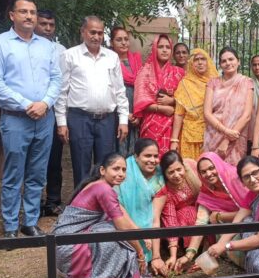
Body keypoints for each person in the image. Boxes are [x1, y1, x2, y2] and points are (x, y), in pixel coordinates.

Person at [0, 0, 61, 238]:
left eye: (32, 12)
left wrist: (45, 103)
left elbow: (56, 79)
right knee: (13, 173)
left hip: (44, 119)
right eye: (23, 12)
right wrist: (28, 104)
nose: (29, 16)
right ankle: (9, 225)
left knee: (37, 173)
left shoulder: (47, 46)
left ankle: (30, 222)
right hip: (15, 119)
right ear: (12, 15)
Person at [53, 153, 147, 278]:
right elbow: (122, 227)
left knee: (112, 229)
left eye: (124, 170)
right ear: (103, 171)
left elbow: (124, 216)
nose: (121, 174)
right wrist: (140, 253)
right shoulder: (103, 189)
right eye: (116, 169)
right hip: (68, 247)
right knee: (120, 239)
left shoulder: (100, 186)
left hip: (62, 244)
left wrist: (141, 235)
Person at [55, 16, 129, 188]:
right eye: (92, 32)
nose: (96, 37)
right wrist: (61, 122)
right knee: (81, 165)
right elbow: (62, 91)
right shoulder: (69, 56)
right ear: (83, 32)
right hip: (79, 118)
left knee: (106, 165)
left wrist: (123, 120)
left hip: (106, 119)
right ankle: (82, 208)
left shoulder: (112, 57)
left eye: (100, 33)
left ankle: (103, 208)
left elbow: (119, 90)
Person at [173, 151, 250, 272]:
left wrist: (220, 216)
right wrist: (189, 255)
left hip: (252, 223)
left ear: (218, 165)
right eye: (203, 172)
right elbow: (201, 223)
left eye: (211, 168)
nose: (208, 174)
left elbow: (253, 210)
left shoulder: (236, 178)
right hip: (231, 231)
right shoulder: (207, 192)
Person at [116, 138, 164, 277]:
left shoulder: (160, 179)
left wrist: (156, 256)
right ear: (136, 157)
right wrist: (138, 232)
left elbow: (155, 219)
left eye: (155, 156)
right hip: (120, 225)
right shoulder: (123, 173)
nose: (152, 160)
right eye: (147, 155)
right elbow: (117, 209)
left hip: (147, 235)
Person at [35, 10, 67, 217]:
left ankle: (53, 201)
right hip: (30, 110)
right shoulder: (27, 48)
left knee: (54, 159)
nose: (47, 28)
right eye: (43, 24)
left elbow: (63, 82)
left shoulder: (60, 50)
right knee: (34, 160)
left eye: (51, 25)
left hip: (54, 109)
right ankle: (34, 202)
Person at [133, 34, 185, 155]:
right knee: (150, 158)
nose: (165, 50)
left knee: (170, 162)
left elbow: (187, 100)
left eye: (168, 47)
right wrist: (162, 108)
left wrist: (172, 101)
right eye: (160, 46)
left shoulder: (179, 73)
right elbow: (140, 101)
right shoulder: (145, 71)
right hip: (150, 124)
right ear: (155, 49)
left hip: (173, 127)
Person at [202, 47, 254, 165]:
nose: (228, 63)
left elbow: (246, 115)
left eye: (231, 59)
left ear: (238, 61)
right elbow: (207, 113)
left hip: (236, 136)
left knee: (233, 174)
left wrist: (227, 139)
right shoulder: (212, 83)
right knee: (211, 170)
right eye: (224, 61)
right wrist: (225, 131)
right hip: (213, 134)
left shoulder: (247, 82)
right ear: (220, 64)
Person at [152, 151, 201, 271]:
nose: (177, 175)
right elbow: (170, 219)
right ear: (165, 174)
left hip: (201, 213)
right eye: (171, 172)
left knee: (194, 212)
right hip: (178, 223)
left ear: (184, 167)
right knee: (187, 213)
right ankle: (181, 249)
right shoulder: (166, 191)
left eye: (179, 169)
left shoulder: (193, 171)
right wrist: (173, 255)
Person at [170, 48, 218, 159]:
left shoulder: (216, 83)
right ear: (191, 63)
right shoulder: (185, 84)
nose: (200, 62)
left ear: (208, 62)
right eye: (196, 60)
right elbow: (179, 114)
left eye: (203, 59)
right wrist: (174, 140)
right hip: (189, 137)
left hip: (212, 135)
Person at [111, 26, 143, 157]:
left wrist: (138, 113)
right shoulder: (109, 61)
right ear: (111, 43)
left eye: (126, 39)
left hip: (136, 108)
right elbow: (109, 90)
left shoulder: (136, 60)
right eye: (119, 39)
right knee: (118, 146)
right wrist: (125, 113)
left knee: (133, 146)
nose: (124, 42)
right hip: (116, 111)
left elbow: (142, 86)